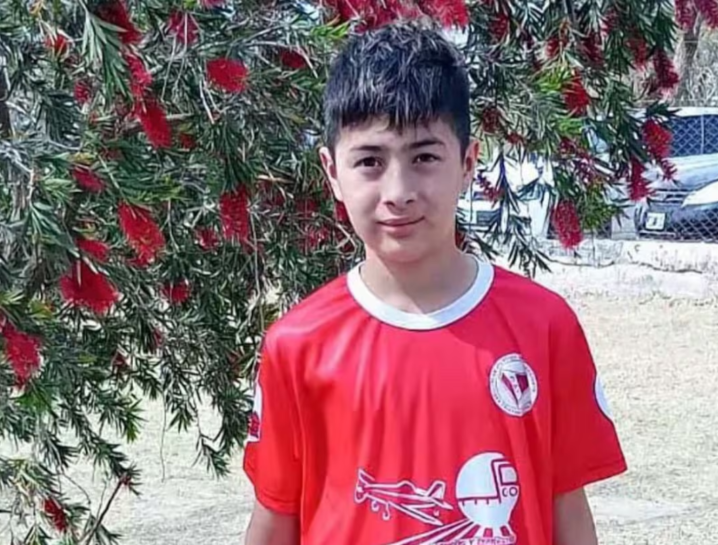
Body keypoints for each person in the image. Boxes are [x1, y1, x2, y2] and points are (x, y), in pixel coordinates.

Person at [243, 20, 627, 545]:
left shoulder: (544, 326)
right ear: (332, 172)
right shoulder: (297, 345)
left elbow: (569, 514)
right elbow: (275, 520)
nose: (398, 191)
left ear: (467, 163)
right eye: (370, 161)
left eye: (424, 157)